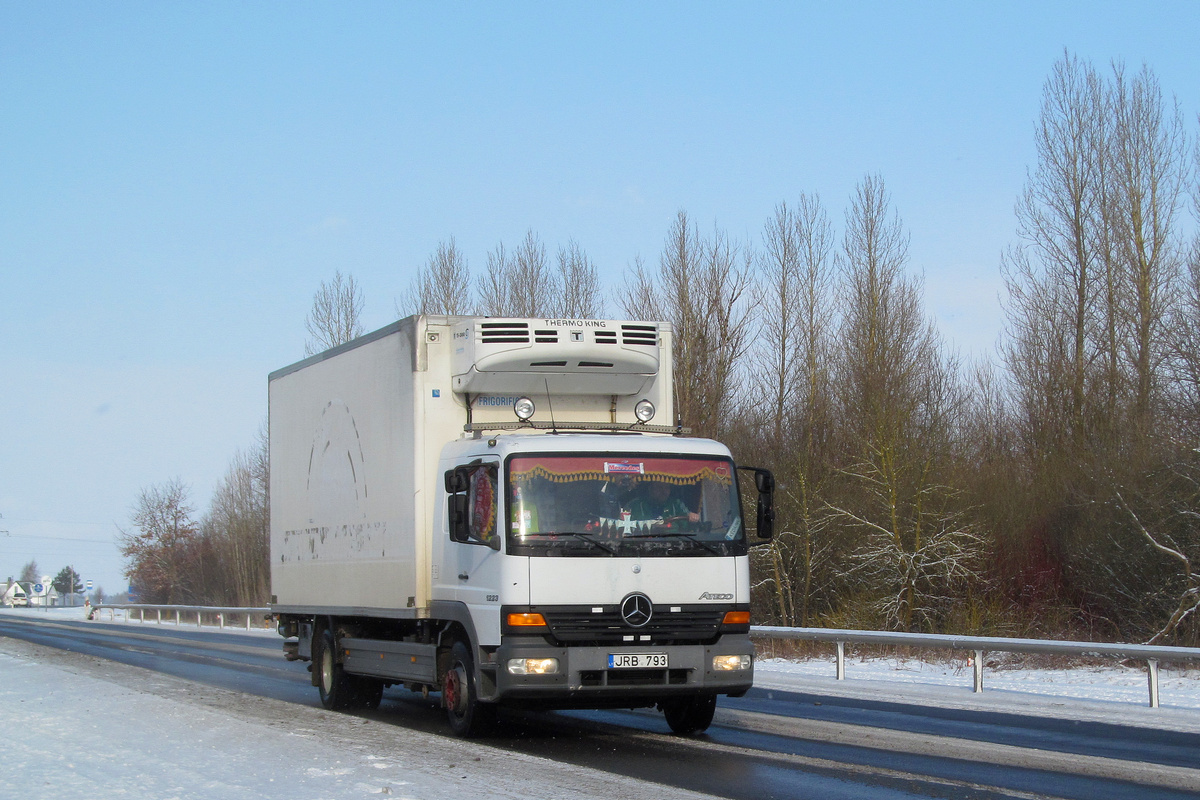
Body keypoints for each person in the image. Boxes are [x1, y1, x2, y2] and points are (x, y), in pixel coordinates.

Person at [628, 480, 699, 523]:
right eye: (659, 487)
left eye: (667, 488)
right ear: (650, 489)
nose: (663, 491)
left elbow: (687, 519)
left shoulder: (676, 504)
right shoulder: (636, 504)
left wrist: (692, 517)